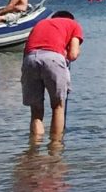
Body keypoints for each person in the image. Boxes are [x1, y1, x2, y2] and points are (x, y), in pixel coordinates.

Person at [21, 8, 82, 145]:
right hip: (53, 59)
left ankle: (34, 150)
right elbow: (73, 55)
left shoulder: (41, 23)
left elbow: (26, 50)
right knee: (57, 106)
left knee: (36, 111)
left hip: (30, 60)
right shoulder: (73, 25)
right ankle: (55, 148)